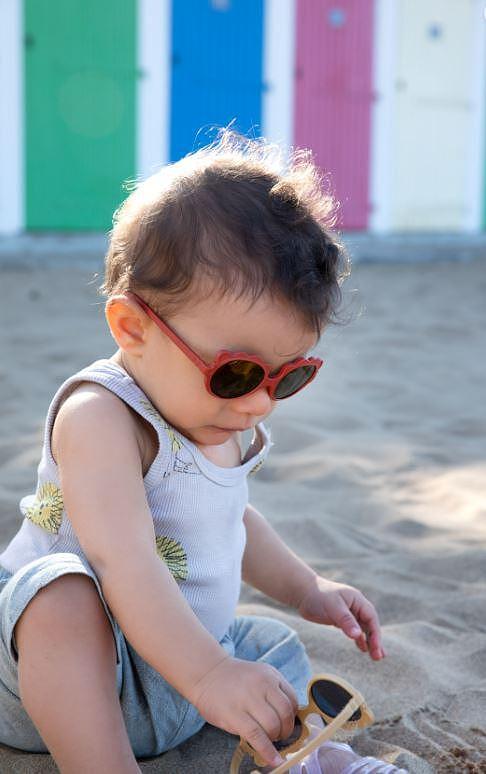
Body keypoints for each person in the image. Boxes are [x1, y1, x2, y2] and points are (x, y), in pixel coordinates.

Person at [0, 130, 406, 774]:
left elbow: (230, 517)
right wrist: (211, 674)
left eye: (288, 377)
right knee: (60, 596)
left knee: (270, 646)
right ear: (133, 327)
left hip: (174, 675)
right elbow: (123, 561)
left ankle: (311, 757)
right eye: (238, 373)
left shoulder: (213, 412)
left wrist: (307, 587)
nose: (260, 403)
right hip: (52, 681)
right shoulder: (100, 417)